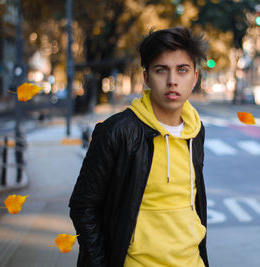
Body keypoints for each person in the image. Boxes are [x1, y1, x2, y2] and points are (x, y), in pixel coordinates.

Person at [69, 27, 209, 267]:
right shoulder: (117, 132)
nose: (172, 80)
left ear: (195, 78)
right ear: (146, 77)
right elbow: (84, 207)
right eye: (161, 70)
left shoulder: (195, 131)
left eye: (182, 70)